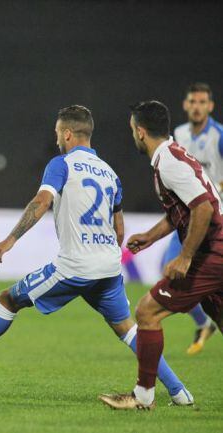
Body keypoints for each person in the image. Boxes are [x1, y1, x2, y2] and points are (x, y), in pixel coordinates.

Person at [0, 106, 192, 406]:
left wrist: (10, 239)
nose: (57, 140)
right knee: (127, 329)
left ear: (67, 133)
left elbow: (42, 201)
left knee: (8, 298)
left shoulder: (62, 164)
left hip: (75, 266)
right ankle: (179, 392)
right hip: (108, 266)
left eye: (57, 135)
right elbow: (119, 229)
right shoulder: (111, 174)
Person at [99, 100, 223, 410]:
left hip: (213, 252)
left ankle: (143, 397)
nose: (132, 136)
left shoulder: (168, 162)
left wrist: (185, 257)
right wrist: (151, 238)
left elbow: (203, 207)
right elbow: (181, 211)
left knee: (147, 312)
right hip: (216, 251)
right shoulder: (170, 156)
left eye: (132, 130)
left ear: (140, 132)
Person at [161, 83, 221, 354]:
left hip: (215, 219)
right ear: (186, 105)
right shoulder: (179, 134)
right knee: (168, 265)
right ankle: (203, 322)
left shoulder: (219, 136)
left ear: (210, 106)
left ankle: (209, 318)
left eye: (202, 102)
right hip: (188, 218)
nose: (197, 106)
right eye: (192, 101)